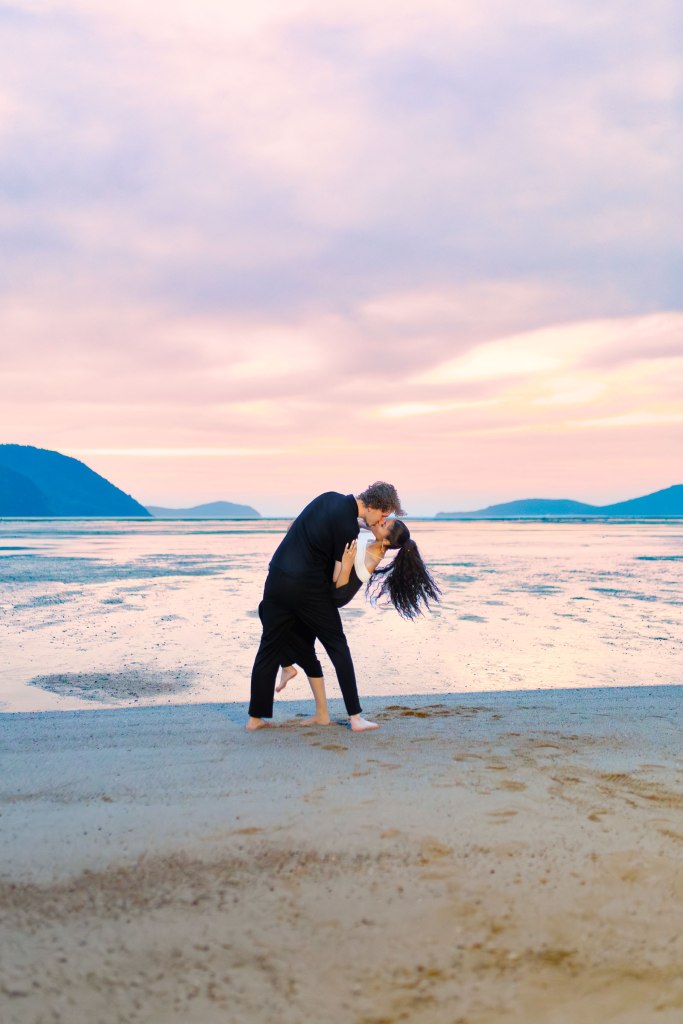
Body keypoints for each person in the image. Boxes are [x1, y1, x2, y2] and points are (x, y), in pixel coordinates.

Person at [247, 482, 405, 732]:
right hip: (307, 589)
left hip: (276, 576)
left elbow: (299, 528)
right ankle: (355, 717)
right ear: (375, 506)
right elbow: (336, 581)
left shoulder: (329, 498)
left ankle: (255, 718)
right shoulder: (347, 528)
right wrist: (347, 561)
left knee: (268, 645)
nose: (381, 520)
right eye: (383, 515)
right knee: (337, 646)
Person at [275, 518, 441, 725]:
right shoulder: (371, 540)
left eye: (383, 524)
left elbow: (340, 594)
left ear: (386, 542)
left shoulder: (373, 557)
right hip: (312, 591)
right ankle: (317, 708)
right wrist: (361, 522)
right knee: (273, 615)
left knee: (338, 651)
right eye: (383, 519)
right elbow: (355, 524)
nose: (380, 521)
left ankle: (355, 716)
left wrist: (345, 566)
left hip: (328, 599)